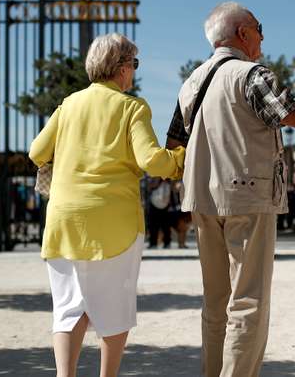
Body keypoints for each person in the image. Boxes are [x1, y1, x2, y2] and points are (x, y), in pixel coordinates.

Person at [166, 1, 295, 377]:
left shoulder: (191, 82)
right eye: (258, 27)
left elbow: (174, 147)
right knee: (248, 302)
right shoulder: (252, 75)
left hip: (201, 200)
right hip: (248, 194)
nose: (263, 35)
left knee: (216, 304)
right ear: (242, 33)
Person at [29, 33, 184, 377]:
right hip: (115, 223)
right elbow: (151, 161)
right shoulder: (132, 107)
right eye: (134, 64)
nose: (134, 73)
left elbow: (37, 152)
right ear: (122, 68)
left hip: (64, 221)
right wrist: (179, 158)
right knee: (113, 309)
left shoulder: (68, 104)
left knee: (68, 309)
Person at [146, 176, 173, 248]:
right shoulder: (154, 177)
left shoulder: (168, 179)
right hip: (154, 204)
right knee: (153, 226)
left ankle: (167, 243)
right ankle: (153, 243)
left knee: (166, 226)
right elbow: (150, 187)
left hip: (166, 205)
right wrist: (158, 179)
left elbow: (174, 188)